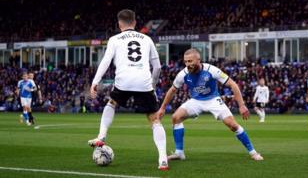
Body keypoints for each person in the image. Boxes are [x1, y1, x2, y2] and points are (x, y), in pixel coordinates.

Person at [87, 9, 168, 171]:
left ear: (119, 24)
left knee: (111, 103)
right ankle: (163, 159)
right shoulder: (146, 39)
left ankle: (102, 135)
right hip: (143, 81)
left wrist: (95, 81)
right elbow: (158, 66)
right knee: (154, 120)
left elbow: (105, 61)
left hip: (123, 81)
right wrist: (152, 84)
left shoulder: (114, 39)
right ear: (135, 22)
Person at [158, 49, 263, 161]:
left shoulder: (211, 70)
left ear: (198, 60)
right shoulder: (183, 74)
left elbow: (233, 84)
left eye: (190, 61)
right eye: (186, 62)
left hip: (213, 100)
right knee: (176, 117)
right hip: (196, 101)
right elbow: (172, 90)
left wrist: (241, 105)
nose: (188, 64)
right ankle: (179, 153)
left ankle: (253, 152)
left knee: (232, 125)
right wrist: (162, 108)